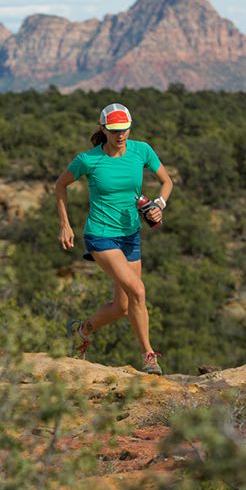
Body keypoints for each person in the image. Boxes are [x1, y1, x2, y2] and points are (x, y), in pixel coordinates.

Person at [54, 102, 173, 375]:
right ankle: (149, 356)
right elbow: (59, 186)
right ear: (103, 129)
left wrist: (159, 205)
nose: (120, 135)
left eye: (125, 129)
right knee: (139, 291)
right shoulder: (88, 160)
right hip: (100, 235)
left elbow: (167, 182)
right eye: (114, 130)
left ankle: (83, 331)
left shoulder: (142, 150)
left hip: (131, 235)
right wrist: (65, 225)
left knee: (122, 306)